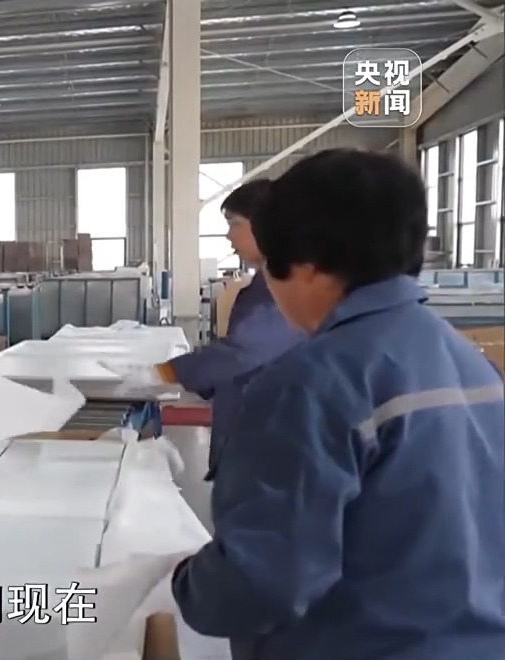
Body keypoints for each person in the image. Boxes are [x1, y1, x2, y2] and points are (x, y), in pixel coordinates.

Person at [171, 148, 505, 660]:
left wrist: (182, 580)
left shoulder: (308, 385)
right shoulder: (471, 364)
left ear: (305, 265)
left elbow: (262, 580)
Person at [103, 179, 304, 480]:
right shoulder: (269, 282)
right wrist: (195, 381)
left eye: (234, 223)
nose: (228, 235)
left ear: (267, 224)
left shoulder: (286, 285)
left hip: (269, 442)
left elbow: (245, 352)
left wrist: (166, 373)